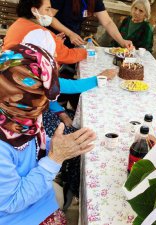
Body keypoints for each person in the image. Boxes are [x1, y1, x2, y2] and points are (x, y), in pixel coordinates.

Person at [0, 43, 96, 225]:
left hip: (40, 200)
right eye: (40, 97)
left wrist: (56, 144)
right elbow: (11, 202)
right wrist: (55, 158)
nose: (45, 106)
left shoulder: (19, 116)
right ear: (14, 94)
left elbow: (31, 149)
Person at [50, 0, 133, 49]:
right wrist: (70, 33)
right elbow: (49, 17)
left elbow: (108, 22)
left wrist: (122, 41)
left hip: (73, 41)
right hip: (53, 39)